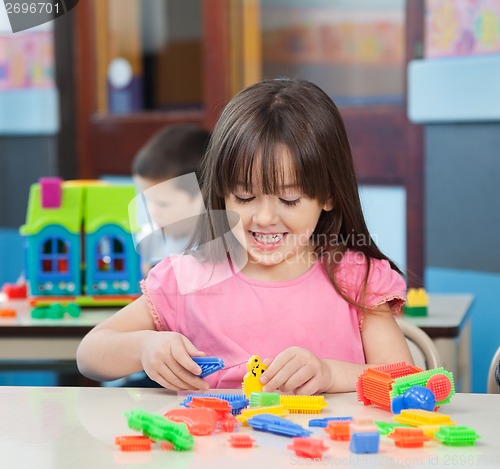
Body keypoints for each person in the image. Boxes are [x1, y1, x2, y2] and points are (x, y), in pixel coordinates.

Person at [77, 78, 413, 394]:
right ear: (220, 194)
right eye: (245, 197)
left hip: (324, 455)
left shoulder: (355, 278)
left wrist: (330, 373)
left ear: (328, 195)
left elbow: (407, 382)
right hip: (212, 455)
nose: (265, 218)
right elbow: (90, 353)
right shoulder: (187, 278)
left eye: (289, 199)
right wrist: (144, 347)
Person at [132, 124, 210, 277]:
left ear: (206, 196)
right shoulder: (161, 235)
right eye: (147, 200)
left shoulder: (220, 248)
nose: (153, 212)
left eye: (163, 204)